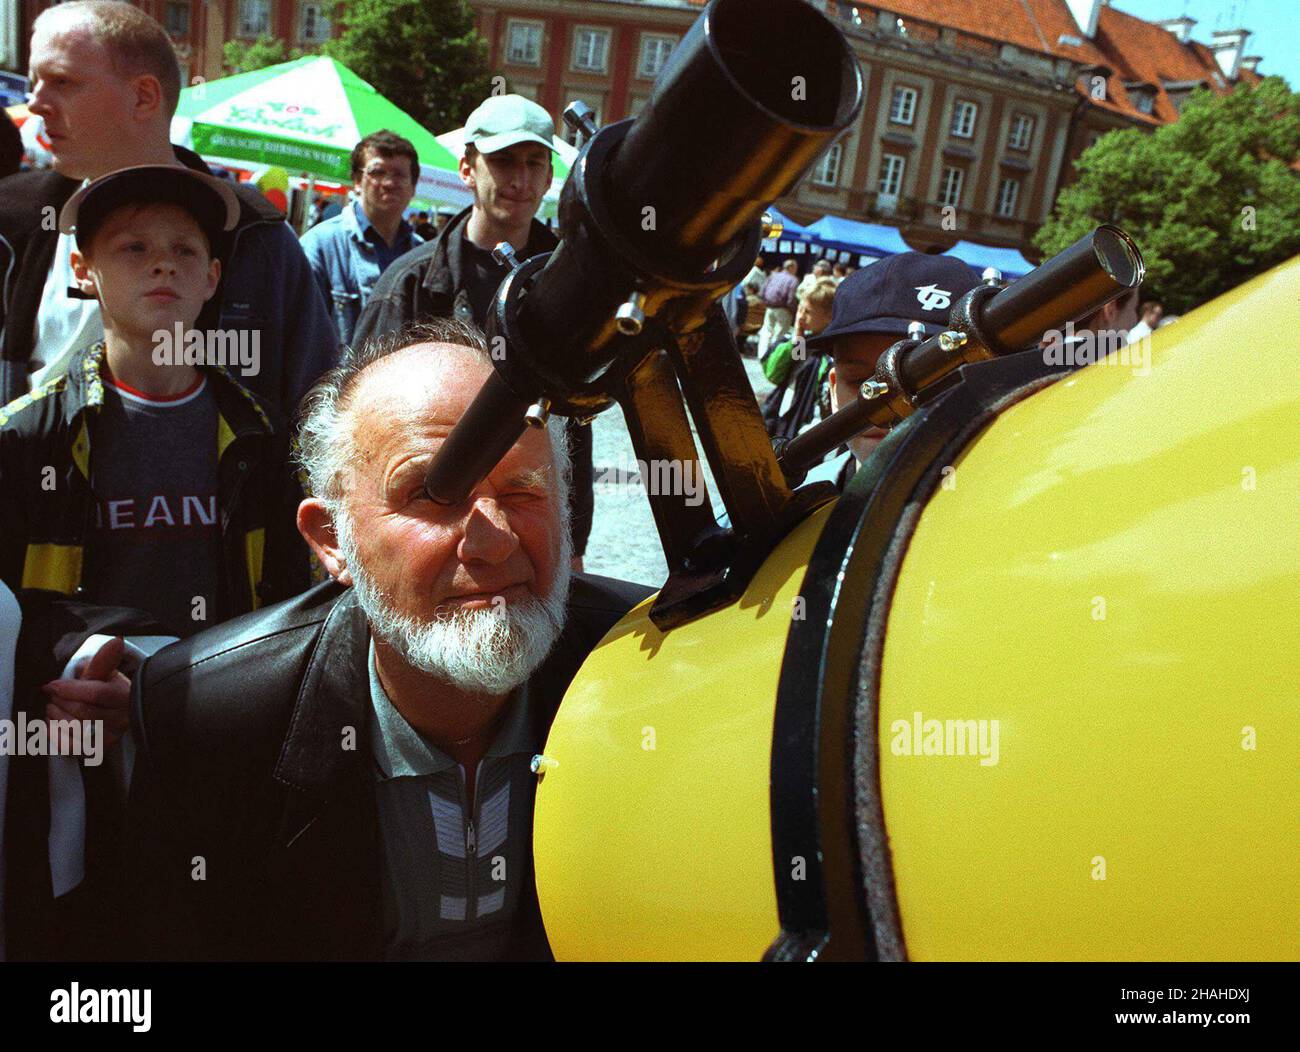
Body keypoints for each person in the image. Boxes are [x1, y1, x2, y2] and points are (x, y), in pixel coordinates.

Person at [122, 319, 653, 960]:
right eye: (432, 493)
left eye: (523, 490)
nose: (493, 540)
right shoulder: (206, 718)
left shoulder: (646, 665)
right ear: (331, 541)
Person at [0, 164, 308, 961]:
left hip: (216, 748)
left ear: (213, 277)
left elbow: (294, 608)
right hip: (72, 764)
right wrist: (82, 661)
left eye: (183, 249)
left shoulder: (267, 439)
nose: (162, 263)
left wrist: (185, 697)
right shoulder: (21, 436)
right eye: (133, 247)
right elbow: (4, 614)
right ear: (82, 271)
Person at [0, 0, 336, 419]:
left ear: (143, 97)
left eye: (62, 81)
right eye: (34, 83)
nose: (35, 103)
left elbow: (319, 404)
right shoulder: (16, 221)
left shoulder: (255, 233)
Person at [353, 94, 594, 566]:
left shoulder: (576, 280)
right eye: (503, 162)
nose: (520, 180)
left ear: (550, 176)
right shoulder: (412, 282)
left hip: (535, 519)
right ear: (468, 168)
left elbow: (579, 426)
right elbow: (357, 420)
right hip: (432, 521)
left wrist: (574, 540)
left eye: (533, 162)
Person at [801, 252, 982, 490]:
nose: (886, 404)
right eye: (860, 381)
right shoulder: (796, 506)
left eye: (923, 379)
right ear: (834, 389)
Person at [300, 131, 423, 347]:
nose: (389, 182)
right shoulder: (320, 245)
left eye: (399, 174)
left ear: (413, 186)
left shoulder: (423, 255)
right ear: (357, 181)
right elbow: (301, 337)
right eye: (377, 172)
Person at [760, 276, 838, 442]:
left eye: (807, 312)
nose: (800, 316)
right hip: (784, 413)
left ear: (829, 317)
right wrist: (797, 336)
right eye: (800, 309)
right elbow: (776, 373)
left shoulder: (829, 352)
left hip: (805, 423)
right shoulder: (804, 342)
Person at [756, 259, 799, 360]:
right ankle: (771, 357)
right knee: (779, 334)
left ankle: (761, 355)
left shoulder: (773, 275)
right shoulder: (793, 280)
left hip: (769, 307)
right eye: (795, 268)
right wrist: (793, 311)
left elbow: (762, 291)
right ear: (791, 268)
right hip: (783, 309)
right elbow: (791, 299)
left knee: (766, 331)